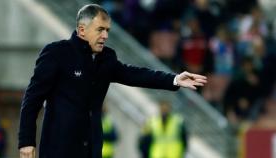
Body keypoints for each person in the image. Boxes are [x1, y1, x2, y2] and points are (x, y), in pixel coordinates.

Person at [18, 4, 207, 158]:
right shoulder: (57, 53)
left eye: (107, 30)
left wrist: (173, 79)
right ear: (82, 30)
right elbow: (32, 99)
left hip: (92, 150)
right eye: (100, 30)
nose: (105, 36)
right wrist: (26, 141)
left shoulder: (107, 58)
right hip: (59, 150)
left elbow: (135, 74)